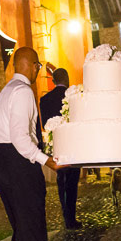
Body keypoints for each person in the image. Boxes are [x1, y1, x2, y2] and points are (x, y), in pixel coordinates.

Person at [0, 47, 67, 241]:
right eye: (37, 68)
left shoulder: (7, 90)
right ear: (32, 66)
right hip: (17, 165)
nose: (38, 72)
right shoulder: (23, 92)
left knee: (23, 229)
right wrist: (46, 160)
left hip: (1, 163)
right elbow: (20, 138)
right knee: (34, 230)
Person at [40, 68, 82, 230]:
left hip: (56, 144)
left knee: (61, 180)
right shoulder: (73, 97)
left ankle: (66, 213)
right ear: (67, 78)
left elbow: (45, 125)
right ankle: (70, 217)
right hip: (73, 143)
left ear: (53, 81)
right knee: (72, 180)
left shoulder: (44, 100)